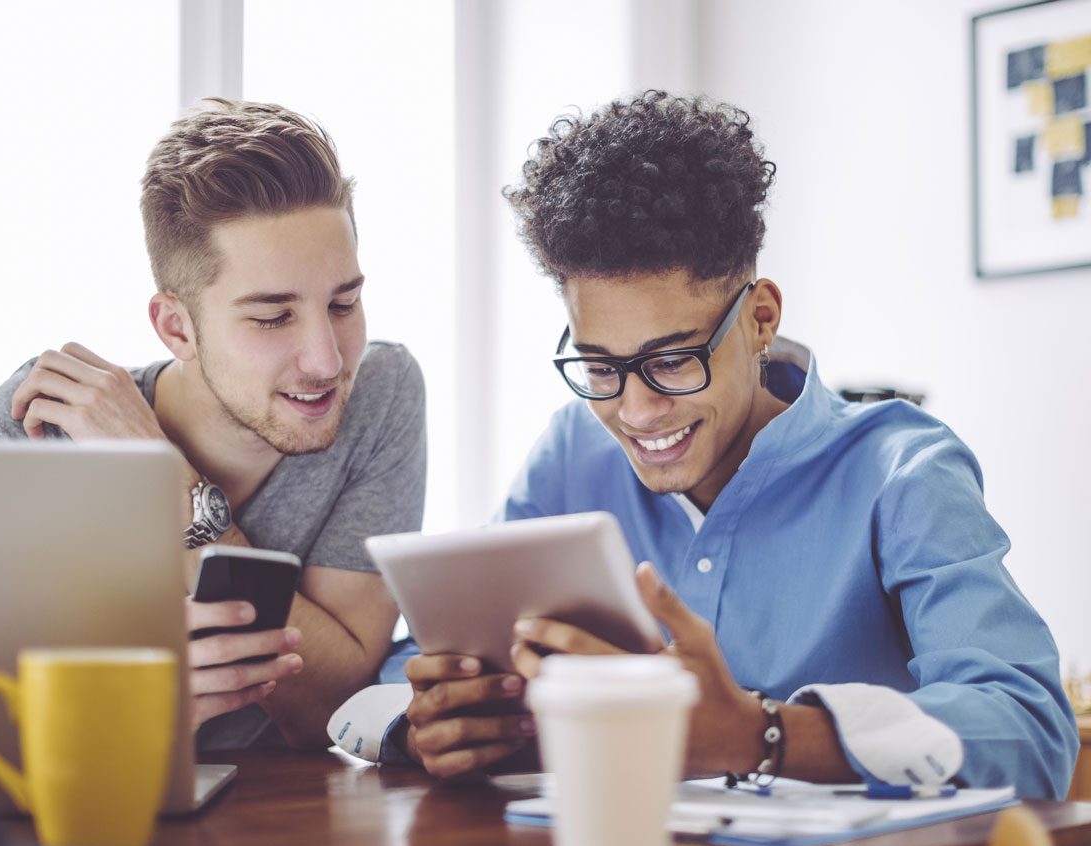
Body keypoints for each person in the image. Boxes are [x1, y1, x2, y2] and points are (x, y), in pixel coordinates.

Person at [331, 91, 1077, 799]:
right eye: (600, 367)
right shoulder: (571, 455)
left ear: (759, 319)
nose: (637, 408)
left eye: (672, 360)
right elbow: (417, 664)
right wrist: (445, 714)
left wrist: (763, 734)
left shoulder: (902, 472)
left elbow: (1033, 734)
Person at [0, 99, 427, 751]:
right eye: (272, 317)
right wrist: (124, 717)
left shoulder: (380, 392)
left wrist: (170, 480)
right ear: (176, 327)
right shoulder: (42, 427)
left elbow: (336, 704)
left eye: (344, 303)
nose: (327, 361)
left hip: (291, 825)